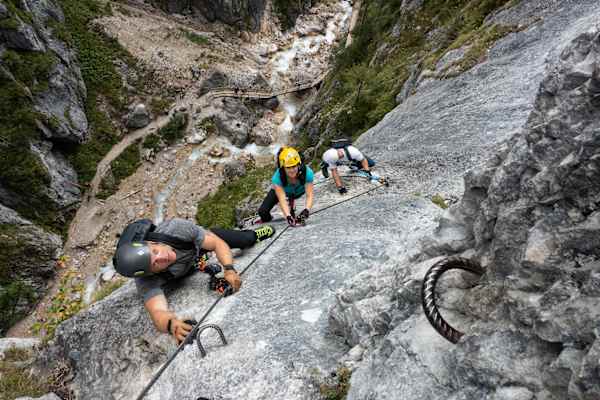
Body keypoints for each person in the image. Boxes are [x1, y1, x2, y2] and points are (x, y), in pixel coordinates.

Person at [113, 218, 275, 343]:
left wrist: (229, 269)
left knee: (245, 240)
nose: (162, 256)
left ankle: (254, 234)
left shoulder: (176, 230)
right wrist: (172, 325)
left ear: (151, 242)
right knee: (190, 264)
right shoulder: (145, 280)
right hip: (189, 262)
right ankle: (197, 261)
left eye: (155, 251)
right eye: (155, 263)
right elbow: (158, 312)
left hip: (196, 246)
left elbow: (217, 244)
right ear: (148, 273)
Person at [258, 147, 314, 226]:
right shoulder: (277, 178)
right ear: (283, 167)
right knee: (262, 212)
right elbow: (282, 198)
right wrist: (288, 216)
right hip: (282, 191)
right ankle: (270, 217)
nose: (292, 170)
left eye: (294, 166)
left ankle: (291, 203)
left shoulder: (307, 173)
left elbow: (310, 195)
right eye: (288, 167)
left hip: (298, 191)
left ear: (299, 164)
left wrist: (306, 210)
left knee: (291, 211)